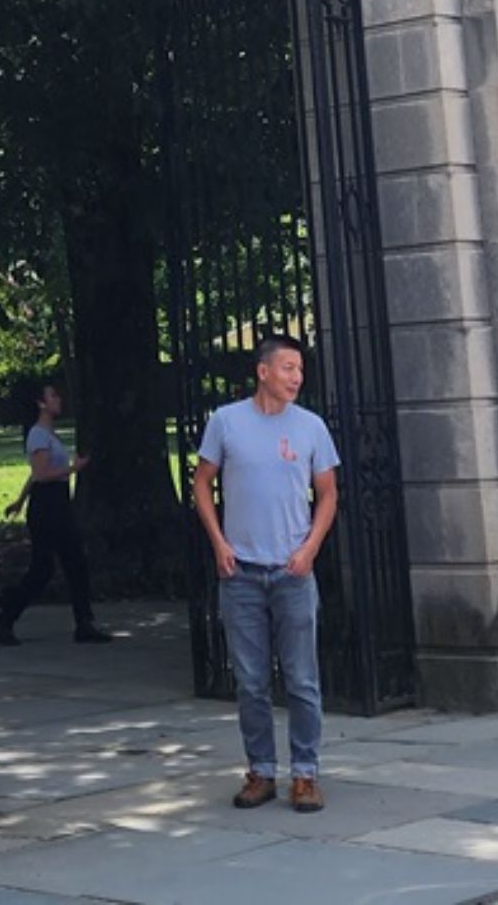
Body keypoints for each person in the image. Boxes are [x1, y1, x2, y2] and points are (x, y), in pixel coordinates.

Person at [192, 333, 339, 814]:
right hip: (241, 572)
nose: (297, 377)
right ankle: (260, 771)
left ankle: (305, 773)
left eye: (300, 370)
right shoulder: (226, 421)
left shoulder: (311, 427)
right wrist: (219, 542)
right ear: (263, 372)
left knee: (301, 680)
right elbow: (201, 482)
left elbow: (328, 494)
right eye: (288, 368)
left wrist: (310, 548)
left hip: (293, 571)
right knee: (251, 681)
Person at [0, 380, 115, 646]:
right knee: (42, 569)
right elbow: (42, 474)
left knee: (75, 562)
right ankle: (5, 616)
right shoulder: (38, 435)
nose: (59, 399)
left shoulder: (48, 434)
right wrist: (74, 469)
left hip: (58, 503)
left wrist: (19, 500)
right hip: (47, 506)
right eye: (53, 396)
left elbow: (34, 475)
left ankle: (84, 623)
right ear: (41, 403)